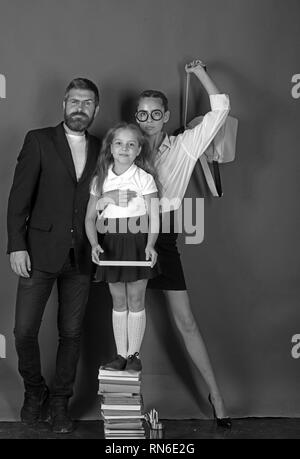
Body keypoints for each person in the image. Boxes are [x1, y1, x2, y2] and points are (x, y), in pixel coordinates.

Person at [103, 60, 232, 427]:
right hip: (124, 236)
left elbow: (221, 109)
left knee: (185, 321)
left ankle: (217, 396)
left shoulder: (183, 147)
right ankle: (126, 409)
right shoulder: (125, 150)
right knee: (126, 314)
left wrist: (201, 72)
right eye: (141, 113)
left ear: (166, 116)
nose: (147, 119)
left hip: (163, 235)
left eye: (155, 113)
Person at [7, 78, 101, 433]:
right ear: (64, 104)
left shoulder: (103, 147)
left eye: (88, 102)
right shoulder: (39, 140)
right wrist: (16, 244)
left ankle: (61, 401)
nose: (80, 107)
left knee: (71, 334)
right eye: (74, 101)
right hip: (38, 251)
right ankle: (35, 392)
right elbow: (19, 199)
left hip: (81, 256)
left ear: (96, 109)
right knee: (23, 332)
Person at [85, 123, 159, 372]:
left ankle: (134, 356)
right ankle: (120, 355)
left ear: (139, 150)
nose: (124, 148)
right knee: (118, 300)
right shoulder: (101, 179)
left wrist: (150, 245)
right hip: (111, 243)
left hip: (137, 240)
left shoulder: (144, 178)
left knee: (136, 299)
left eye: (131, 144)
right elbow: (90, 218)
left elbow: (154, 217)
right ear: (110, 147)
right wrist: (95, 243)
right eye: (119, 143)